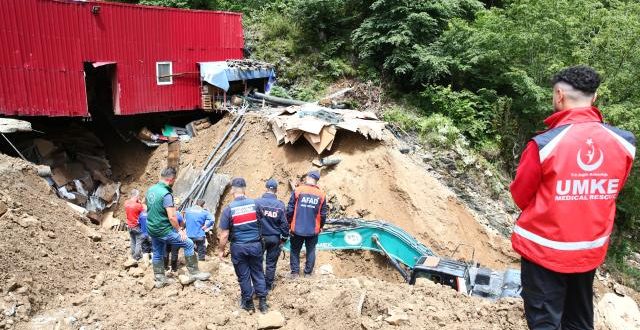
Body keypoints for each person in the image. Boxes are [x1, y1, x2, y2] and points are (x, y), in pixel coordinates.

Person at [510, 66, 635, 330]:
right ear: (595, 97)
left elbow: (521, 196)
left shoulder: (544, 144)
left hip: (543, 250)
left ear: (559, 95)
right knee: (578, 320)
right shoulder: (624, 143)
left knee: (545, 322)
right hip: (588, 250)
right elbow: (612, 189)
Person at [145, 167, 210, 288]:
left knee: (157, 252)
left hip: (152, 229)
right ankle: (194, 273)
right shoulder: (166, 194)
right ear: (171, 179)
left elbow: (148, 208)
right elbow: (172, 217)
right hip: (164, 230)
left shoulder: (151, 190)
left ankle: (160, 279)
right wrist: (180, 230)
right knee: (189, 243)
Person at [218, 177, 269, 314]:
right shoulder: (255, 204)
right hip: (255, 245)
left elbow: (224, 235)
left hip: (238, 247)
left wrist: (221, 250)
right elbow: (261, 222)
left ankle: (249, 303)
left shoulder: (228, 209)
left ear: (233, 190)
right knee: (258, 272)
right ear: (244, 189)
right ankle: (263, 303)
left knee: (244, 275)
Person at [286, 170, 327, 278]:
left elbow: (290, 209)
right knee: (311, 250)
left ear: (308, 178)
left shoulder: (298, 191)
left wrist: (288, 223)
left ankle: (295, 273)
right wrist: (321, 226)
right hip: (313, 230)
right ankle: (308, 273)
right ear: (316, 181)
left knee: (295, 250)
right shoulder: (321, 195)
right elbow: (323, 215)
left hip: (297, 228)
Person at [256, 178, 290, 291]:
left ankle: (259, 285)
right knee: (271, 264)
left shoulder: (257, 202)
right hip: (274, 238)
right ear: (276, 190)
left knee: (258, 262)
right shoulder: (280, 205)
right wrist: (284, 237)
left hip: (259, 238)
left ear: (266, 188)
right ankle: (268, 286)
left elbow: (253, 220)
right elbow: (284, 224)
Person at [124, 189, 145, 261]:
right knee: (139, 241)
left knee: (133, 241)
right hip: (136, 226)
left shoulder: (126, 203)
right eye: (138, 196)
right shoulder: (138, 206)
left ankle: (133, 254)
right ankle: (136, 257)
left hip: (129, 226)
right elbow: (144, 211)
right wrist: (140, 203)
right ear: (137, 195)